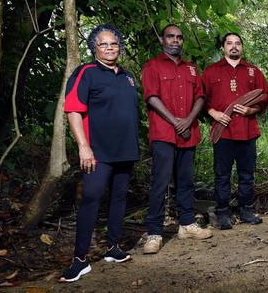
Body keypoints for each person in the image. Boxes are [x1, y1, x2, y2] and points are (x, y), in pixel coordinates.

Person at [60, 24, 139, 282]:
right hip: (97, 152)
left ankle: (113, 248)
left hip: (125, 150)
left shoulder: (127, 76)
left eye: (113, 43)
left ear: (119, 47)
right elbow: (73, 110)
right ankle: (79, 260)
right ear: (94, 47)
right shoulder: (86, 73)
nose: (109, 48)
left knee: (119, 199)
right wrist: (84, 146)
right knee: (91, 199)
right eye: (103, 44)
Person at [141, 24, 213, 255]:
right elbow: (151, 97)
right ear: (162, 40)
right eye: (170, 37)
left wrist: (188, 120)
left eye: (179, 37)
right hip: (164, 133)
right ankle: (154, 233)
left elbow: (200, 97)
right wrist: (175, 121)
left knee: (186, 182)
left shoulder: (191, 68)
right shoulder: (153, 66)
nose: (175, 41)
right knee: (160, 183)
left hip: (188, 134)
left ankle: (187, 225)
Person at [202, 33, 268, 229]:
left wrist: (251, 110)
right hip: (222, 132)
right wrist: (213, 112)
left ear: (242, 47)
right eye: (229, 43)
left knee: (246, 174)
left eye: (237, 43)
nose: (233, 47)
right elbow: (200, 99)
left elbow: (265, 98)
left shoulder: (253, 71)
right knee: (222, 174)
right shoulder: (211, 71)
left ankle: (246, 210)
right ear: (223, 48)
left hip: (247, 131)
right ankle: (223, 213)